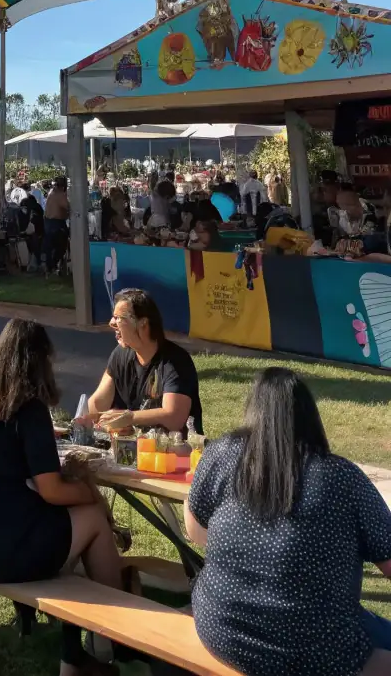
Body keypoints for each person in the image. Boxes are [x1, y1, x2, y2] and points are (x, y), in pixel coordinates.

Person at [0, 319, 123, 675]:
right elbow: (51, 490)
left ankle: (73, 651)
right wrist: (87, 489)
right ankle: (115, 637)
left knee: (62, 540)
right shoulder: (27, 409)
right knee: (90, 518)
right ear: (40, 360)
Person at [185, 367, 391, 676]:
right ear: (309, 416)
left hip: (221, 631)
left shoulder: (221, 454)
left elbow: (194, 529)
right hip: (313, 652)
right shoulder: (341, 478)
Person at [83, 288, 203, 434]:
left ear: (143, 323)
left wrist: (129, 417)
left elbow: (174, 418)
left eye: (119, 318)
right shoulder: (120, 354)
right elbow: (97, 403)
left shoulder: (175, 362)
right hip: (133, 447)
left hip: (173, 451)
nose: (111, 323)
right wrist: (100, 420)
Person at [43, 177, 70, 275]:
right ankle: (52, 265)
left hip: (48, 221)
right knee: (62, 245)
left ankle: (50, 266)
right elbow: (68, 207)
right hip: (56, 223)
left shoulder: (51, 192)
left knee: (50, 246)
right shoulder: (59, 195)